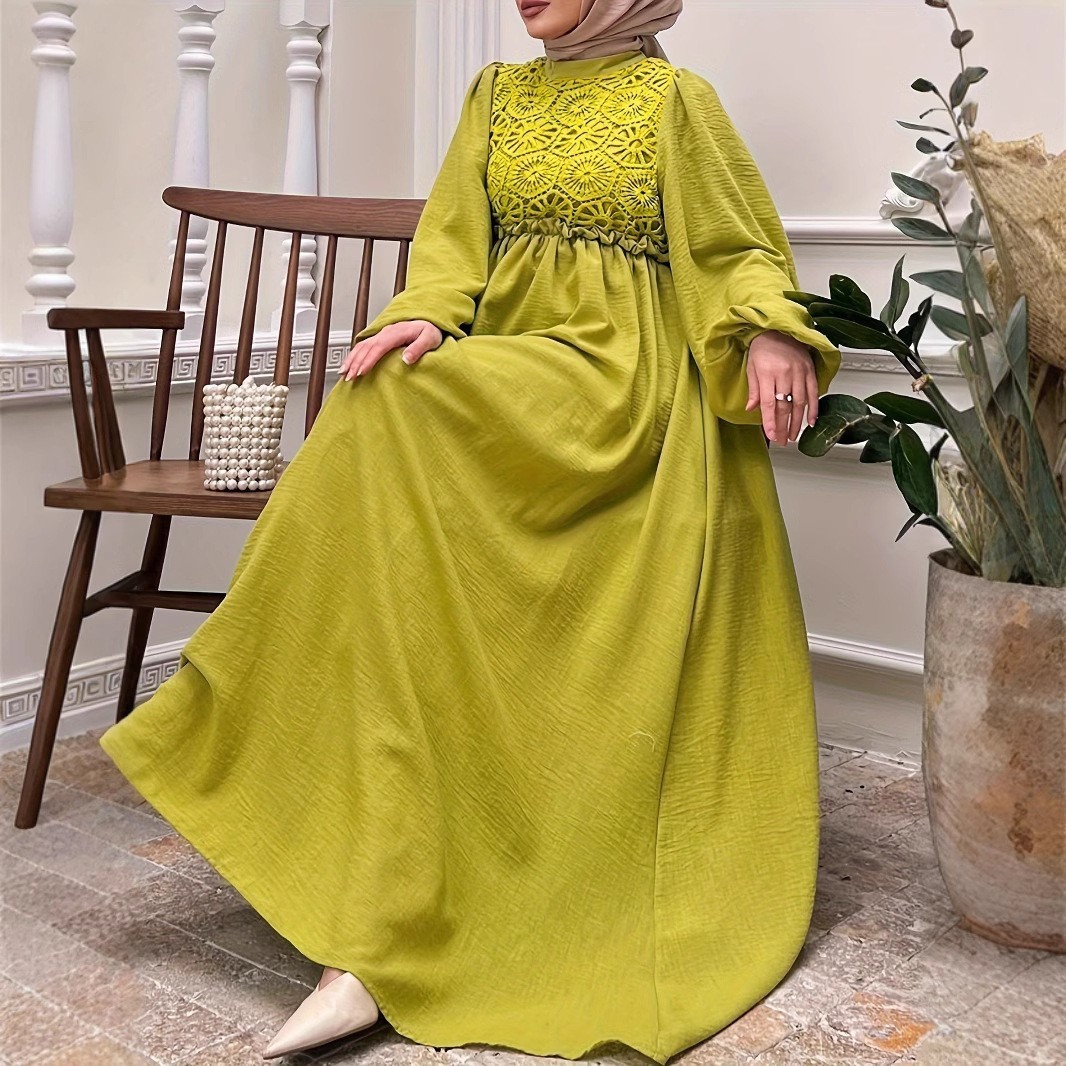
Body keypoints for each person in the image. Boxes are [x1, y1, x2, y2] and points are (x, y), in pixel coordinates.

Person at [98, 0, 843, 1061]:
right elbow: (449, 243)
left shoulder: (678, 101)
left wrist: (770, 330)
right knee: (385, 399)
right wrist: (423, 311)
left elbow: (736, 248)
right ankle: (362, 889)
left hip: (625, 386)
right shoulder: (495, 94)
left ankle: (419, 923)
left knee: (397, 412)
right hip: (515, 361)